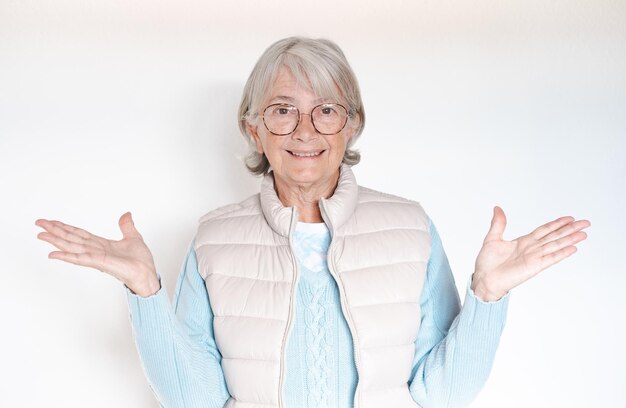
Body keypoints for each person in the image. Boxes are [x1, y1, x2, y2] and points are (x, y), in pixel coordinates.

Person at [35, 37, 590, 408]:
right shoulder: (214, 237)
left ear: (351, 127)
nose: (305, 130)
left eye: (326, 109)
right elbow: (194, 397)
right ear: (254, 130)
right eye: (282, 110)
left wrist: (488, 296)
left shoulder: (411, 226)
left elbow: (441, 393)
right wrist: (146, 292)